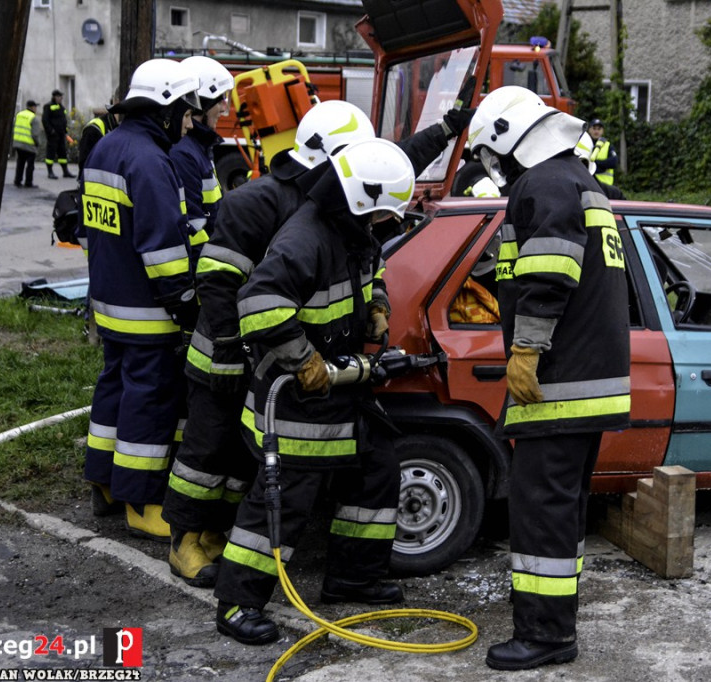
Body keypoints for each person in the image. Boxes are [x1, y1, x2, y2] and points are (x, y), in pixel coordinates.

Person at [161, 98, 469, 589]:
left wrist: (376, 306)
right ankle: (186, 540)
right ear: (332, 158)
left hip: (277, 356)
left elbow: (372, 248)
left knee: (249, 462)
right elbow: (219, 285)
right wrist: (236, 351)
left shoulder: (339, 203)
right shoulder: (257, 202)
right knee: (208, 451)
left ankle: (224, 535)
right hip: (228, 351)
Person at [212, 138, 416, 645]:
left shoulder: (353, 231)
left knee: (377, 468)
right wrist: (304, 360)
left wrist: (377, 307)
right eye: (385, 213)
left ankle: (354, 578)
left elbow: (372, 274)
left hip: (342, 391)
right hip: (297, 399)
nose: (387, 223)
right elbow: (257, 302)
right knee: (283, 500)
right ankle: (237, 603)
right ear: (362, 200)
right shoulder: (306, 238)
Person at [468, 87, 631, 671]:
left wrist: (527, 349)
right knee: (561, 509)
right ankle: (552, 622)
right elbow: (539, 266)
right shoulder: (581, 182)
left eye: (494, 156)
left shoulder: (544, 186)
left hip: (559, 385)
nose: (498, 171)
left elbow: (550, 275)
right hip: (590, 382)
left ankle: (546, 636)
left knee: (541, 509)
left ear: (510, 141)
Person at [81, 58, 202, 541]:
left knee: (114, 389)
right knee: (149, 405)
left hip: (110, 302)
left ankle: (104, 482)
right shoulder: (150, 161)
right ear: (165, 110)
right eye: (185, 113)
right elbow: (163, 249)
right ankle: (142, 501)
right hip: (148, 312)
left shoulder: (107, 148)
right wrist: (187, 303)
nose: (188, 122)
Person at [170, 56, 235, 269]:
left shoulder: (200, 147)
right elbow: (193, 228)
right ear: (202, 105)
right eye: (220, 99)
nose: (225, 107)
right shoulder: (184, 154)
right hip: (201, 268)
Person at [42, 89, 75, 180]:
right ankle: (50, 172)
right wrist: (51, 131)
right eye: (59, 96)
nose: (61, 98)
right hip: (53, 135)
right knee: (51, 153)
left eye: (61, 97)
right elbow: (45, 120)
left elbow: (63, 120)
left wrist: (65, 131)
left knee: (62, 153)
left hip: (61, 134)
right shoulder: (48, 106)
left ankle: (65, 171)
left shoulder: (61, 107)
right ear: (54, 97)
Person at [12, 100, 41, 189]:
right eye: (35, 107)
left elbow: (14, 127)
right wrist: (38, 144)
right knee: (30, 166)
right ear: (32, 107)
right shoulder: (34, 118)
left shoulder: (19, 114)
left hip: (18, 144)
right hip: (29, 145)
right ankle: (28, 182)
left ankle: (17, 181)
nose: (36, 108)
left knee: (20, 163)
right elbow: (35, 134)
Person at [587, 117, 619, 192]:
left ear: (602, 131)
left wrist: (594, 163)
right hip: (588, 185)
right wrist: (602, 166)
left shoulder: (607, 145)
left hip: (605, 187)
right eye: (594, 128)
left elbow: (613, 162)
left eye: (599, 129)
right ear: (589, 130)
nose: (596, 131)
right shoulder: (584, 144)